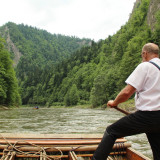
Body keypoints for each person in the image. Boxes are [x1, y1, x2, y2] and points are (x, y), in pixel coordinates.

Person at [93, 43, 160, 160]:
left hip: (147, 116)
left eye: (141, 55)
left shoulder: (145, 66)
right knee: (157, 148)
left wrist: (114, 103)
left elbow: (127, 92)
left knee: (111, 131)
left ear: (144, 53)